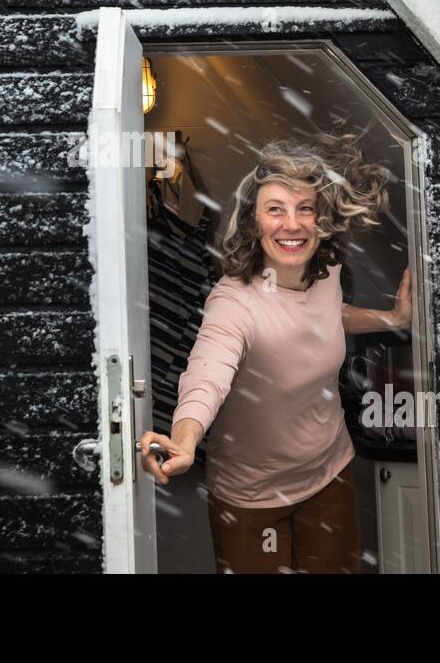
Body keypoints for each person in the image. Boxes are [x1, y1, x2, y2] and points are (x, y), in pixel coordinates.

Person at [137, 132, 413, 574]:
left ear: (320, 218)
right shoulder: (234, 303)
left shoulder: (327, 272)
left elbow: (325, 317)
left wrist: (393, 320)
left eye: (305, 208)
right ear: (253, 223)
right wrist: (185, 439)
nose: (292, 224)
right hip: (250, 497)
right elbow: (207, 371)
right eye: (275, 210)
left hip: (329, 474)